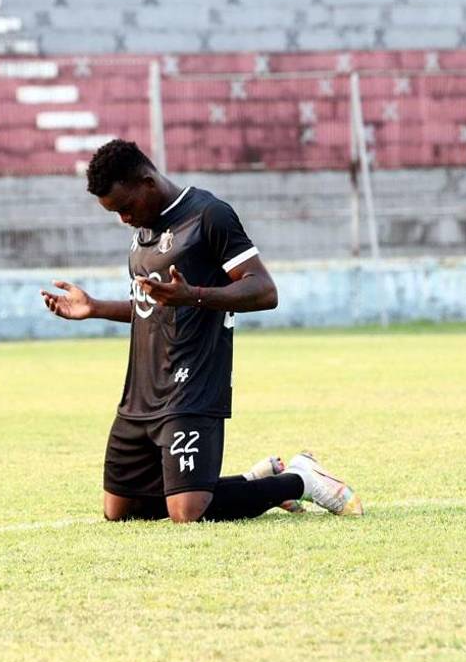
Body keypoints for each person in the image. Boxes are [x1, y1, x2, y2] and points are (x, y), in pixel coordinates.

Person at [41, 140, 362, 522]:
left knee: (187, 513)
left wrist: (192, 294)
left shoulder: (209, 216)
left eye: (125, 208)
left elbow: (264, 290)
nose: (123, 219)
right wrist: (95, 308)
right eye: (115, 213)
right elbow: (155, 309)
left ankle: (300, 481)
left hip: (191, 386)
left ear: (147, 182)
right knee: (122, 511)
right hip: (141, 392)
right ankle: (253, 481)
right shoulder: (141, 233)